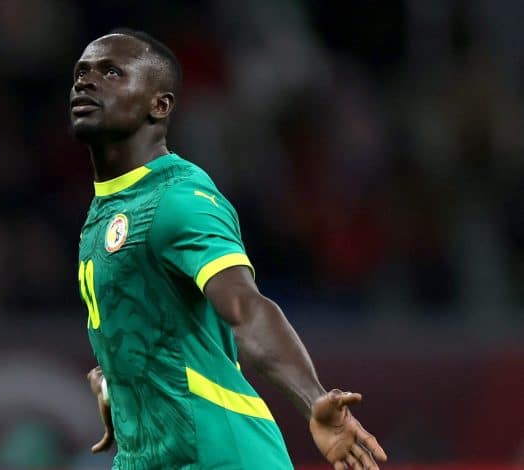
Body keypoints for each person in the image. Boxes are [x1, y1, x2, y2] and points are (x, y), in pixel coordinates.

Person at [71, 28, 388, 470]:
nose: (86, 82)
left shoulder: (178, 197)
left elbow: (244, 308)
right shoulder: (106, 210)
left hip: (222, 456)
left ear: (158, 105)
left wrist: (313, 397)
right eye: (81, 73)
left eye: (110, 72)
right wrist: (120, 379)